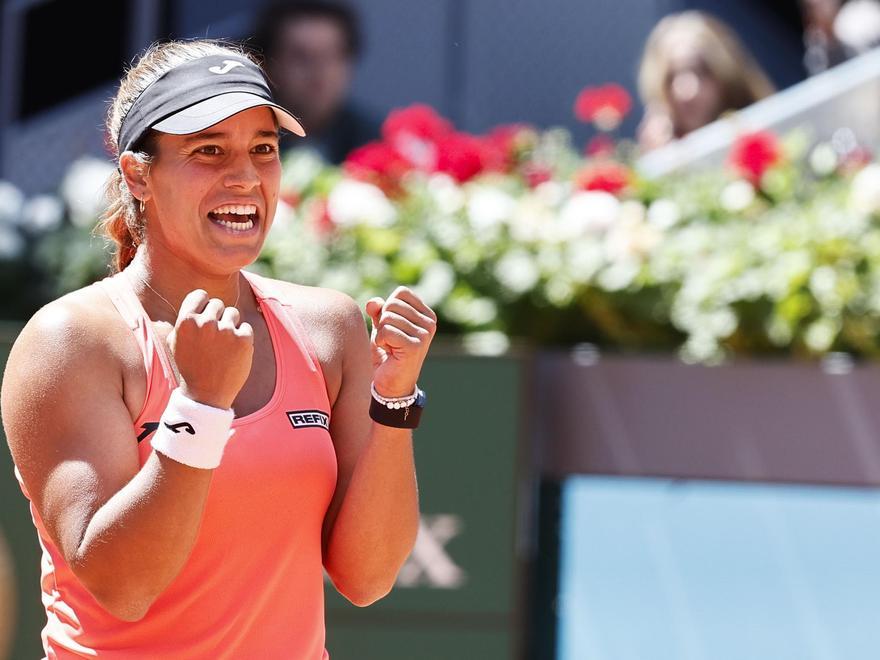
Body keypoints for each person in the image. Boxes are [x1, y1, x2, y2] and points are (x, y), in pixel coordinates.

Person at [1, 39, 435, 658]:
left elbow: (367, 579)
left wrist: (392, 404)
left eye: (263, 149)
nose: (245, 176)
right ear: (137, 175)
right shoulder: (70, 341)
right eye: (209, 151)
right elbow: (123, 587)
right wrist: (201, 407)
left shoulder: (329, 328)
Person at [249, 0, 381, 164]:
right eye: (301, 57)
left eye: (330, 55)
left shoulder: (378, 142)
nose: (318, 70)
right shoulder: (243, 139)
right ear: (266, 64)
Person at [636, 11, 776, 152]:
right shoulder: (658, 152)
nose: (686, 92)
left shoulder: (768, 128)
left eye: (700, 71)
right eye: (671, 77)